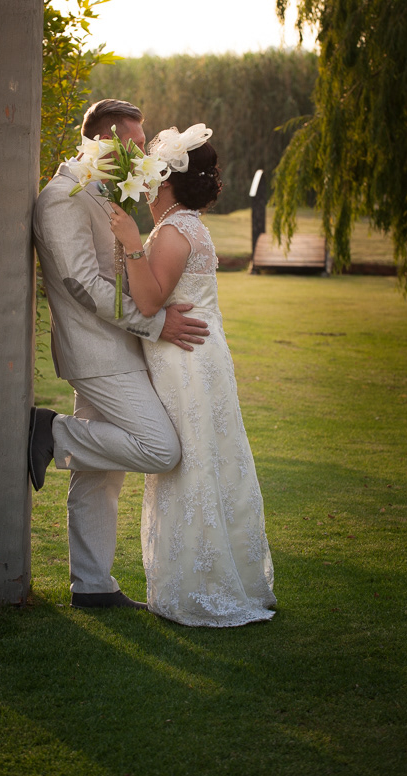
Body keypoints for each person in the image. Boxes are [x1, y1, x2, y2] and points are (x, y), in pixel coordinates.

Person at [30, 99, 210, 610]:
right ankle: (49, 432)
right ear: (106, 140)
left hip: (118, 346)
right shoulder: (62, 197)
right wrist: (155, 322)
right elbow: (81, 283)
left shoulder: (99, 189)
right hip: (97, 353)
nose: (143, 155)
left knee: (99, 475)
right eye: (137, 144)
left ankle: (92, 586)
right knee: (160, 449)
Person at [109, 126, 276, 626]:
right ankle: (210, 578)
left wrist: (130, 243)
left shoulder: (173, 230)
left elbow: (149, 301)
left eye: (150, 174)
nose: (143, 182)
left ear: (165, 181)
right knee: (205, 461)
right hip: (194, 358)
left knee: (192, 465)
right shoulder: (185, 224)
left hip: (187, 364)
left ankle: (200, 588)